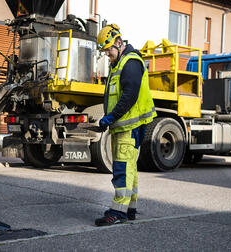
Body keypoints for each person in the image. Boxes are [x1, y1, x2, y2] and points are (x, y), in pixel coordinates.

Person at [95, 24, 156, 226]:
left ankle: (118, 212)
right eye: (104, 51)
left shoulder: (130, 63)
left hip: (128, 126)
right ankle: (129, 208)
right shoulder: (119, 62)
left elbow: (129, 96)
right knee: (130, 167)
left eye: (108, 49)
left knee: (122, 167)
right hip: (123, 125)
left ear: (119, 42)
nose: (107, 54)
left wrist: (111, 117)